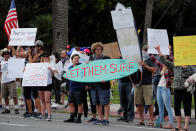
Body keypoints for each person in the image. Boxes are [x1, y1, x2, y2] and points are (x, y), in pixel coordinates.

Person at [155, 45, 194, 131]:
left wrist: (191, 81)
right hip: (176, 89)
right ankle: (178, 126)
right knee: (176, 108)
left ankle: (186, 127)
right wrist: (159, 51)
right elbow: (164, 61)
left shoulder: (191, 68)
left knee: (187, 107)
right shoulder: (176, 65)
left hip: (186, 90)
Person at [89, 42, 111, 126]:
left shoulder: (107, 58)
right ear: (93, 51)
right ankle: (100, 118)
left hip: (104, 84)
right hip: (94, 84)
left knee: (105, 102)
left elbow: (111, 71)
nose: (99, 51)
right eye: (97, 49)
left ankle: (106, 119)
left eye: (100, 49)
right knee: (97, 102)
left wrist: (106, 79)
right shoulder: (91, 59)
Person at [151, 53, 174, 129]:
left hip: (165, 88)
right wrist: (151, 51)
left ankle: (170, 124)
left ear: (166, 57)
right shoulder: (161, 66)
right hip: (159, 87)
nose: (162, 56)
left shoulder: (170, 66)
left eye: (164, 55)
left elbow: (171, 58)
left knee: (168, 107)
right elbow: (154, 60)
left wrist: (170, 51)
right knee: (160, 107)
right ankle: (160, 123)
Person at [134, 45, 156, 126]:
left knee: (149, 102)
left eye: (146, 50)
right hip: (137, 84)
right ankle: (141, 120)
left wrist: (145, 65)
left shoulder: (150, 59)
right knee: (138, 102)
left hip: (147, 83)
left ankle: (151, 120)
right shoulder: (136, 59)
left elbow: (154, 70)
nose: (144, 51)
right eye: (144, 50)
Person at [64, 54, 86, 123]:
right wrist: (68, 88)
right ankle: (72, 117)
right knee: (71, 103)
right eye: (75, 58)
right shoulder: (70, 67)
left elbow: (85, 76)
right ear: (72, 60)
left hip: (79, 88)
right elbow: (68, 78)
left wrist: (86, 85)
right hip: (71, 88)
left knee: (79, 103)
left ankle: (79, 118)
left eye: (77, 58)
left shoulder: (82, 66)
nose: (76, 59)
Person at [0, 49, 19, 114]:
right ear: (3, 56)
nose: (6, 55)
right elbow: (0, 72)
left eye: (8, 54)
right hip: (4, 81)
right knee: (5, 96)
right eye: (5, 54)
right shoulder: (1, 63)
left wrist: (14, 47)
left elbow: (15, 53)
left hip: (11, 80)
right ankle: (7, 108)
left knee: (14, 95)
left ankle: (16, 108)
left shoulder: (12, 61)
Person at [38, 52, 55, 121]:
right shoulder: (39, 65)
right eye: (44, 56)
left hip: (48, 84)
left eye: (46, 56)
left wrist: (51, 70)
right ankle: (43, 114)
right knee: (42, 100)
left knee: (47, 100)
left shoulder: (51, 64)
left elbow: (54, 74)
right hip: (41, 83)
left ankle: (49, 114)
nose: (45, 58)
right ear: (42, 58)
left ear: (49, 58)